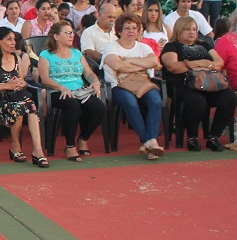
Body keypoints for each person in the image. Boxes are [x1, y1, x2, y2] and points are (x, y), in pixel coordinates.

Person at [160, 16, 236, 152]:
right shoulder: (172, 46)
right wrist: (201, 64)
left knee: (230, 98)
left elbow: (219, 63)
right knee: (198, 101)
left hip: (209, 83)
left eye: (194, 29)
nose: (192, 32)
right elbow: (173, 67)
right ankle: (192, 137)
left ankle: (214, 136)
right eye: (187, 29)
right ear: (179, 30)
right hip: (184, 84)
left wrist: (192, 65)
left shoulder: (204, 45)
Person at [0, 27, 48, 166]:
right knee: (21, 107)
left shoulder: (16, 58)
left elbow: (21, 80)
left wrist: (21, 83)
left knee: (30, 106)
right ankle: (15, 146)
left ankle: (37, 150)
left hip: (15, 96)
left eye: (14, 39)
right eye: (9, 39)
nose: (13, 42)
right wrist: (6, 86)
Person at [38, 21, 106, 161]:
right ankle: (70, 146)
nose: (71, 36)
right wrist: (61, 87)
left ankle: (83, 138)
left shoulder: (77, 53)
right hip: (57, 91)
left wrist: (95, 81)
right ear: (56, 36)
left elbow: (88, 73)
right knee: (72, 106)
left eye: (72, 33)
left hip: (80, 90)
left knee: (98, 107)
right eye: (67, 33)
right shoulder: (46, 55)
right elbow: (44, 78)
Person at [101, 12, 164, 161]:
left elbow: (153, 62)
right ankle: (150, 141)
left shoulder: (143, 47)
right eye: (127, 28)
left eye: (134, 28)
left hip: (143, 83)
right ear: (119, 31)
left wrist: (128, 61)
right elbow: (117, 65)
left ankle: (149, 143)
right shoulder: (111, 47)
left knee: (156, 100)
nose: (131, 31)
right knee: (131, 103)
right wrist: (139, 63)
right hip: (118, 86)